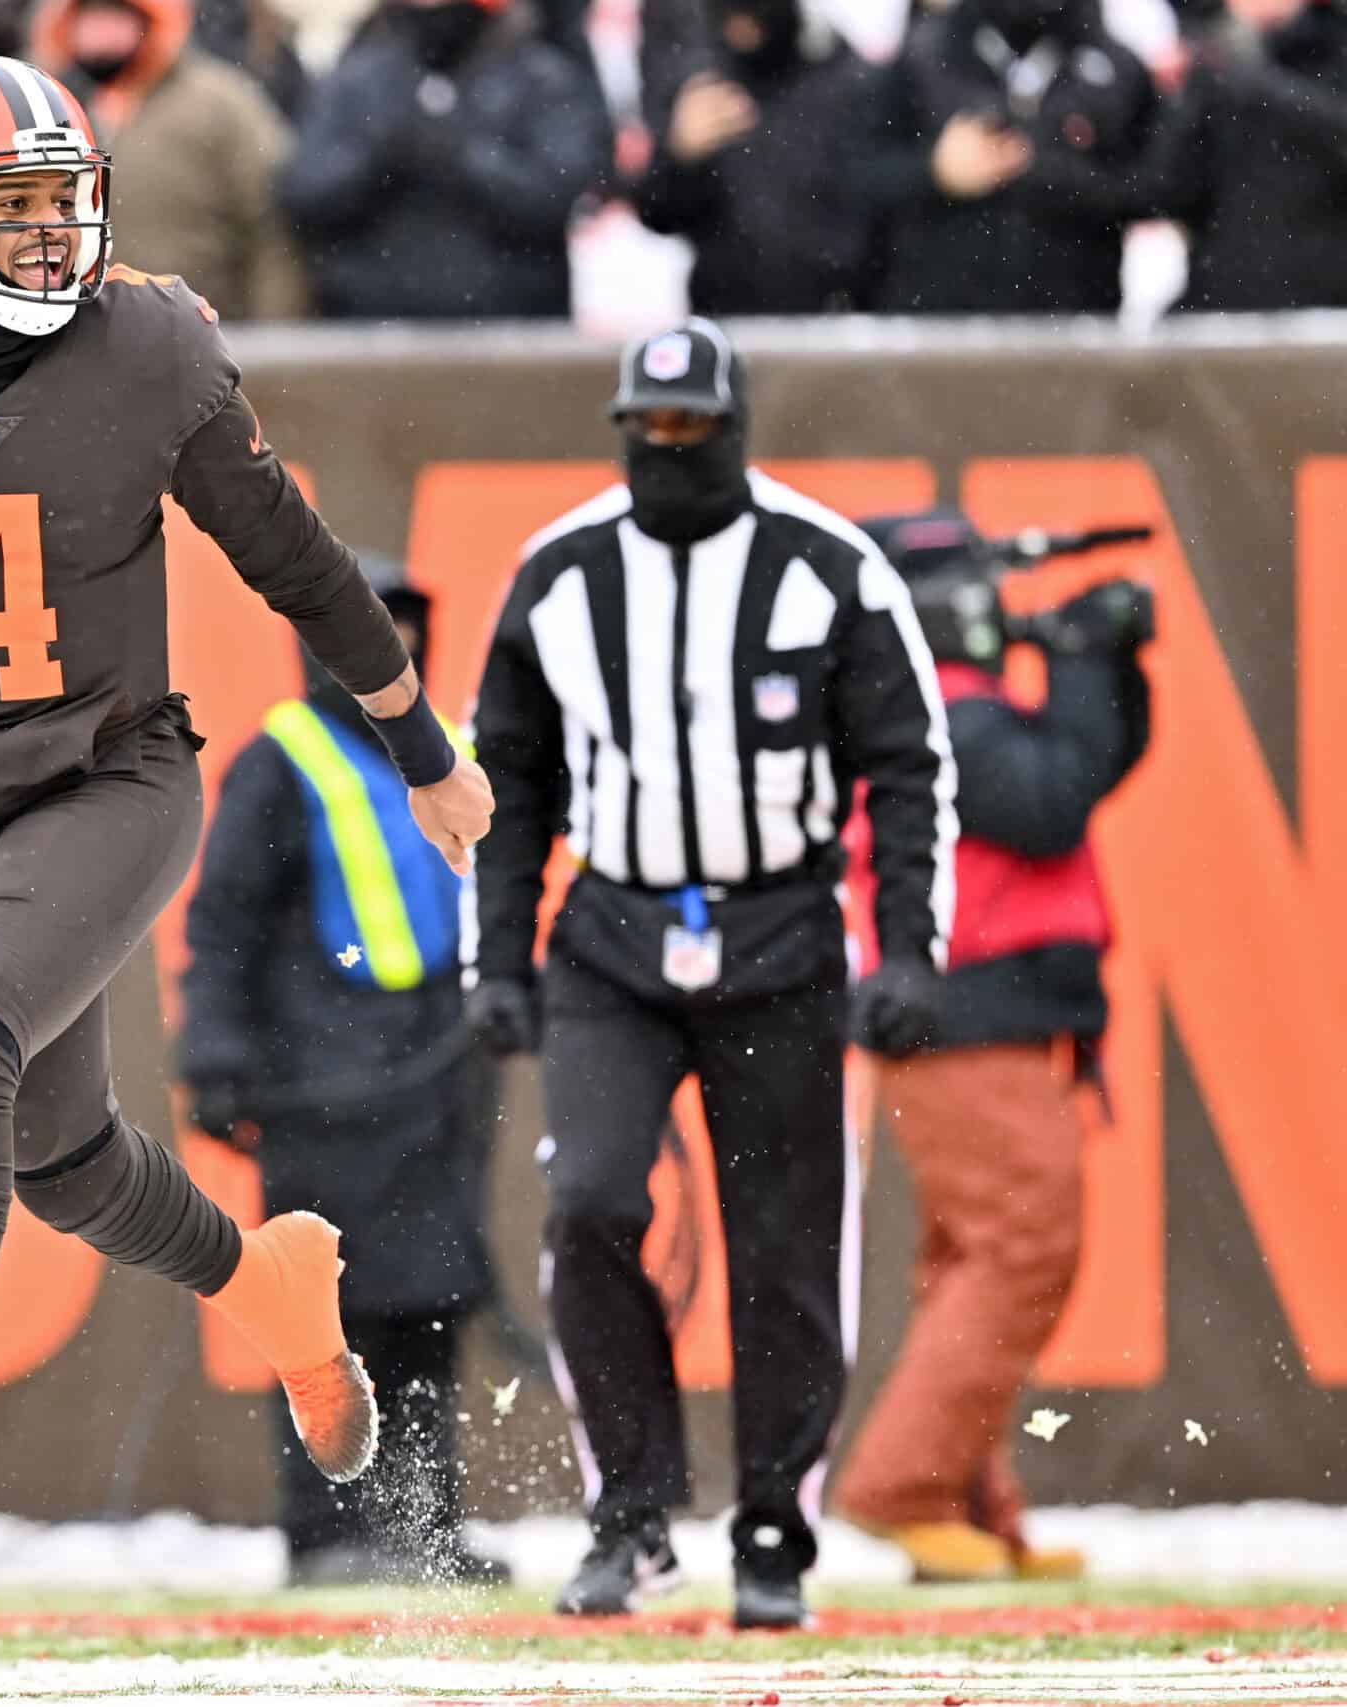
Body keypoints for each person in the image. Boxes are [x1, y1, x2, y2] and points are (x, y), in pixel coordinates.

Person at [0, 54, 497, 1595]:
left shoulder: (149, 347)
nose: (57, 239)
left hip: (108, 769)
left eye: (70, 206)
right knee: (55, 1157)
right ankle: (270, 1282)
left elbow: (304, 564)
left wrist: (422, 747)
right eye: (19, 210)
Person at [469, 319, 955, 1630]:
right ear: (625, 432)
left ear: (736, 429)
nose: (672, 450)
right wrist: (498, 954)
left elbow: (907, 765)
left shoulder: (827, 568)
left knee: (784, 1247)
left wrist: (907, 946)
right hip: (613, 938)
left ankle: (772, 1530)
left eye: (694, 429)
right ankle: (627, 1516)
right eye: (651, 430)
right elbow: (506, 776)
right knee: (589, 1201)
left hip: (786, 933)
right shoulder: (562, 573)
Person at [177, 555, 510, 1589]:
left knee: (431, 1311)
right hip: (317, 1090)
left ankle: (424, 1530)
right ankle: (324, 1532)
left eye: (407, 627)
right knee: (327, 1317)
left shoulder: (446, 758)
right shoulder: (281, 759)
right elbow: (223, 922)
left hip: (433, 1085)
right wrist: (216, 1060)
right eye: (370, 629)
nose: (391, 649)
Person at [831, 512, 1152, 1583]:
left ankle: (968, 1509)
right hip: (967, 1013)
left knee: (971, 1260)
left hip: (975, 1013)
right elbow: (1054, 799)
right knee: (1023, 1244)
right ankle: (902, 1486)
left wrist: (1100, 659)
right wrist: (1078, 655)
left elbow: (1084, 763)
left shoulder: (941, 716)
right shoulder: (944, 720)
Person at [275, 0, 609, 320]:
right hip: (368, 333)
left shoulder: (545, 80)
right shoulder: (354, 82)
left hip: (512, 335)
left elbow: (556, 198)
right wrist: (382, 157)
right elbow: (303, 197)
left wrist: (462, 156)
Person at [867, 0, 1158, 316]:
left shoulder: (1115, 66)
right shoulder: (924, 54)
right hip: (939, 326)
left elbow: (1157, 190)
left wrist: (1047, 170)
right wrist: (934, 171)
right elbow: (852, 178)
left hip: (1073, 325)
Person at [29, 0, 309, 319]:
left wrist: (275, 337)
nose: (100, 37)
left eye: (114, 20)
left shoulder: (219, 104)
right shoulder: (50, 108)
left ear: (152, 25)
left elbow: (274, 227)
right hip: (88, 337)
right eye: (89, 21)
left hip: (207, 333)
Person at [632, 0, 890, 315]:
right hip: (728, 313)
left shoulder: (844, 78)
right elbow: (657, 212)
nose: (743, 33)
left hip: (834, 316)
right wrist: (681, 155)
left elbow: (882, 199)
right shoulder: (704, 83)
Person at [1149, 0, 1347, 312]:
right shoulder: (1213, 57)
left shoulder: (1333, 47)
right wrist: (1174, 100)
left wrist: (1251, 81)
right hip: (1228, 293)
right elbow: (1168, 187)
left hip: (1321, 299)